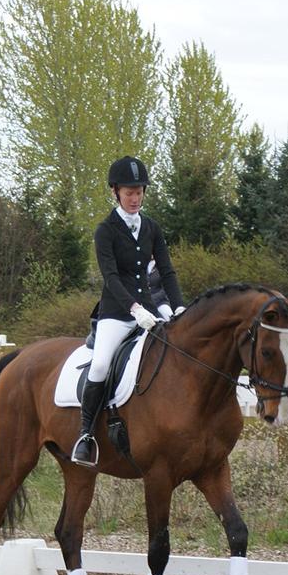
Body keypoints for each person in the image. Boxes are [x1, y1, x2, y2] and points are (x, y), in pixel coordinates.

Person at [71, 156, 185, 467]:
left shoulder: (151, 228)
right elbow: (110, 277)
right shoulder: (105, 230)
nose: (135, 198)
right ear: (115, 192)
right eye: (129, 193)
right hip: (116, 313)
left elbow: (167, 272)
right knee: (100, 365)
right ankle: (86, 436)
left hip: (150, 310)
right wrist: (134, 308)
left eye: (139, 192)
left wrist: (179, 307)